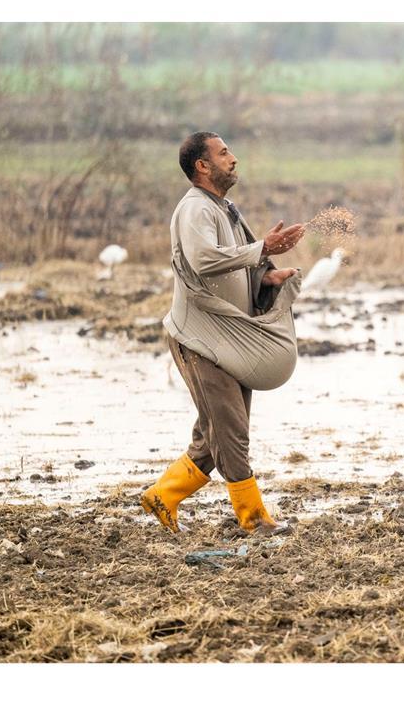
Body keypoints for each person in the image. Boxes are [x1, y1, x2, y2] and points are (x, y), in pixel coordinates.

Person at [141, 131, 305, 534]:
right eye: (223, 152)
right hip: (201, 339)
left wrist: (266, 277)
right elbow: (203, 261)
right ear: (203, 166)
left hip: (227, 337)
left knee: (214, 434)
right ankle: (253, 519)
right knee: (230, 430)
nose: (233, 158)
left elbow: (238, 264)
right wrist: (262, 248)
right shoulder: (196, 209)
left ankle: (163, 495)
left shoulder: (224, 208)